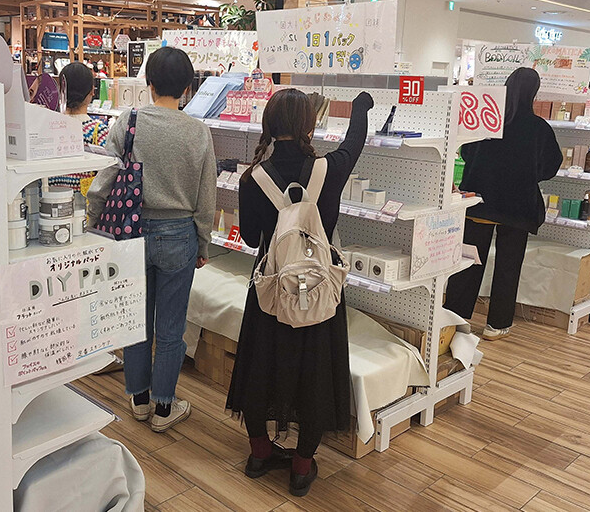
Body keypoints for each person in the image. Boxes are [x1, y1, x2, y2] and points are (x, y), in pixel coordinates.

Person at [226, 88, 373, 497]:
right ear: (310, 125)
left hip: (270, 289)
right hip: (319, 290)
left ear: (269, 125)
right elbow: (354, 142)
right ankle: (302, 466)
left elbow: (252, 238)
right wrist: (360, 106)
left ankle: (259, 455)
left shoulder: (252, 178)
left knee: (259, 368)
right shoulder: (330, 169)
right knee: (316, 374)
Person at [87, 47, 217, 431]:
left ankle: (139, 399)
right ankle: (164, 407)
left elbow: (105, 178)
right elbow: (206, 196)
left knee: (135, 320)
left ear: (149, 83)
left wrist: (93, 221)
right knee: (171, 327)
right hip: (179, 235)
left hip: (132, 231)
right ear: (188, 87)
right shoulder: (198, 132)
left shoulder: (129, 121)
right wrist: (203, 243)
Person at [444, 67, 562, 341]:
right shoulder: (539, 128)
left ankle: (455, 318)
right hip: (517, 207)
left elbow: (465, 151)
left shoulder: (487, 121)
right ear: (534, 93)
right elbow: (551, 166)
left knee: (469, 262)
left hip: (480, 202)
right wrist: (528, 173)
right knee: (509, 266)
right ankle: (497, 324)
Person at [49, 62, 109, 191]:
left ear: (60, 90)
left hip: (50, 200)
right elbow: (108, 177)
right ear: (92, 91)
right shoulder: (99, 132)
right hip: (86, 201)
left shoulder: (49, 129)